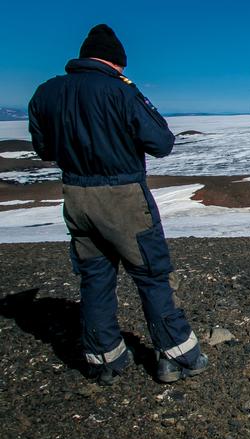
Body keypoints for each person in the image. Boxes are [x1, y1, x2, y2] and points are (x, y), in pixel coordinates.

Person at [28, 24, 208, 386]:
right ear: (117, 62)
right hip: (123, 197)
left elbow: (44, 149)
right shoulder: (119, 90)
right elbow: (161, 141)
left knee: (95, 277)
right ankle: (176, 355)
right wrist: (130, 96)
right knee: (152, 275)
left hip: (76, 196)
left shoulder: (46, 92)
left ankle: (105, 360)